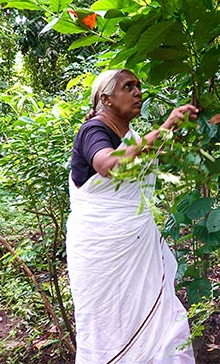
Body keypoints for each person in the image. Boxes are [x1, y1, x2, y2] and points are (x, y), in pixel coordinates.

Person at [66, 68, 199, 363]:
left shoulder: (131, 137)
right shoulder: (94, 131)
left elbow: (139, 163)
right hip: (101, 250)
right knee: (109, 325)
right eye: (128, 87)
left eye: (138, 86)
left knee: (165, 320)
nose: (138, 92)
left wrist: (173, 131)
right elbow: (107, 164)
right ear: (107, 99)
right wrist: (162, 129)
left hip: (135, 244)